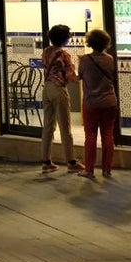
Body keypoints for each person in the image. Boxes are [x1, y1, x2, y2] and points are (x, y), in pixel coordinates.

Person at [40, 24, 82, 173]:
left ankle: (46, 161)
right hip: (59, 89)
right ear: (64, 39)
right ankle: (71, 161)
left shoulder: (46, 51)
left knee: (48, 126)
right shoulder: (64, 55)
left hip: (47, 89)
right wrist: (81, 77)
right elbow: (71, 76)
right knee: (65, 127)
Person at [77, 29, 118, 178]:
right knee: (108, 135)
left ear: (90, 43)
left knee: (91, 136)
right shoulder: (110, 59)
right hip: (109, 102)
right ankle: (107, 170)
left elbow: (79, 76)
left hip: (91, 103)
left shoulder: (85, 60)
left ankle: (89, 170)